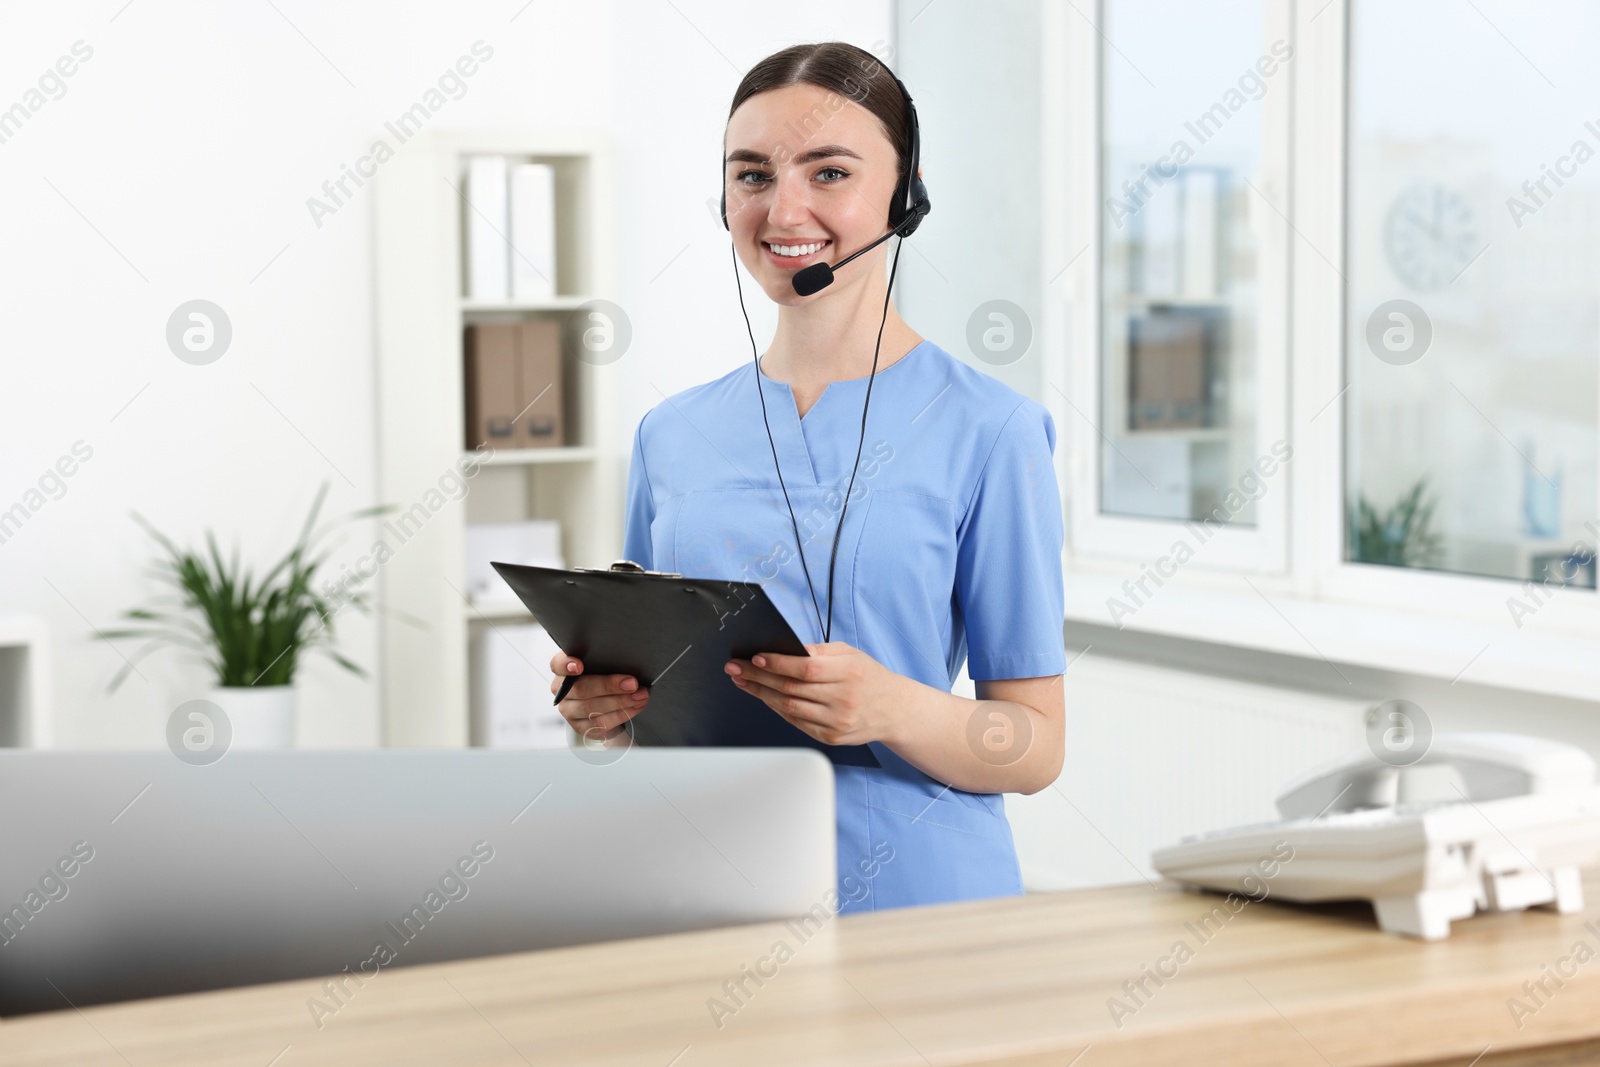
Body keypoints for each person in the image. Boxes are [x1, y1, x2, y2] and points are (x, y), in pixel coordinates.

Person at [548, 41, 1066, 913]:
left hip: (919, 902)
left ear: (905, 193)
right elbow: (646, 708)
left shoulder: (993, 429)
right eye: (751, 175)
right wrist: (603, 715)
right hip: (699, 893)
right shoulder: (670, 435)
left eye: (829, 172)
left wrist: (892, 707)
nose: (783, 207)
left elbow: (1037, 745)